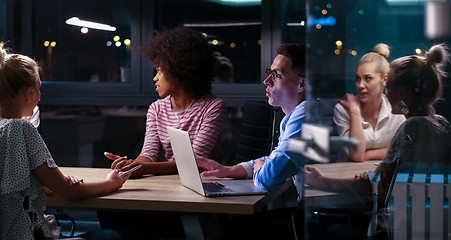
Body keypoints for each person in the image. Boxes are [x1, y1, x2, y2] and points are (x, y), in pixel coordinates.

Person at [306, 43, 451, 240]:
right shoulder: (440, 124)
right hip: (433, 226)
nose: (386, 94)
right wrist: (379, 173)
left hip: (396, 229)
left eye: (389, 88)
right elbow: (393, 175)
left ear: (401, 93)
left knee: (326, 231)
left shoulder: (412, 127)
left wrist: (323, 181)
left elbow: (377, 188)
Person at [0, 48, 128, 240]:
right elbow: (68, 192)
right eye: (39, 88)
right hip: (28, 235)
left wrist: (42, 184)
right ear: (28, 93)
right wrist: (111, 183)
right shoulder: (20, 128)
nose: (39, 96)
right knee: (115, 235)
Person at [197, 43, 306, 239]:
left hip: (315, 221)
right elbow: (273, 159)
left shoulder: (305, 117)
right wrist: (230, 170)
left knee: (234, 231)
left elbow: (268, 178)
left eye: (276, 75)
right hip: (311, 215)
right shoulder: (295, 116)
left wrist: (260, 166)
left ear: (301, 85)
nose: (266, 81)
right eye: (269, 73)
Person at [105, 27, 227, 177]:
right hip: (172, 182)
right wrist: (132, 165)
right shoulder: (156, 109)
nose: (154, 78)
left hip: (206, 183)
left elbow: (195, 161)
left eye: (160, 71)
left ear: (180, 71)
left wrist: (146, 168)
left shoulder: (213, 107)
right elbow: (149, 153)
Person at [333, 43, 405, 162]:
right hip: (348, 176)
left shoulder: (398, 110)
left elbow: (402, 150)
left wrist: (368, 155)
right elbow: (356, 155)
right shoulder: (341, 110)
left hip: (384, 175)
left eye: (367, 78)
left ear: (384, 79)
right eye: (358, 78)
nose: (360, 85)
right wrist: (354, 112)